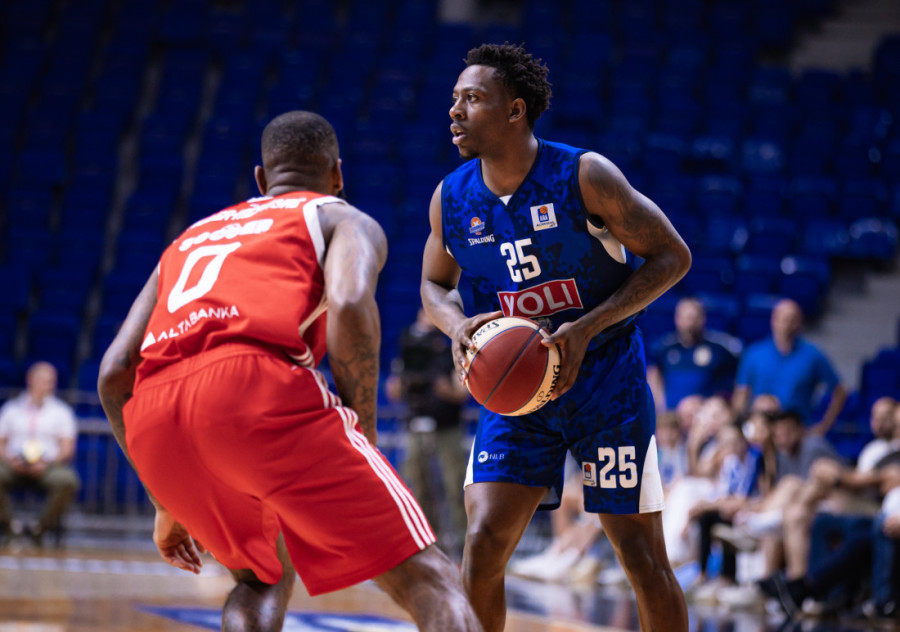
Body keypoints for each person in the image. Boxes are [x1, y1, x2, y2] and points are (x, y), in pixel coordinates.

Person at [97, 111, 482, 632]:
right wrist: (363, 429)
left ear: (261, 179)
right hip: (253, 386)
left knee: (261, 578)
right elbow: (350, 302)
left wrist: (166, 501)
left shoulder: (190, 237)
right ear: (337, 174)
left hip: (155, 413)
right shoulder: (340, 218)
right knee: (431, 579)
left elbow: (115, 372)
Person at [420, 43, 691, 632]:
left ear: (515, 110)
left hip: (606, 384)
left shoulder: (585, 176)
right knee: (483, 543)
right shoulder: (452, 198)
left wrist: (589, 326)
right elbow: (434, 284)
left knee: (641, 557)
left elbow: (673, 256)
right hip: (518, 392)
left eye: (472, 99)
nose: (455, 111)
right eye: (454, 99)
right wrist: (456, 325)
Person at [386, 307, 470, 556]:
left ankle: (465, 543)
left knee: (455, 485)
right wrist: (402, 383)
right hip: (416, 424)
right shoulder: (408, 349)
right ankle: (428, 543)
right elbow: (393, 390)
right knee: (417, 482)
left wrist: (446, 390)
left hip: (446, 426)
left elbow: (462, 393)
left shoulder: (449, 348)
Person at [732, 299, 846, 437]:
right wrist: (738, 426)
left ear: (799, 323)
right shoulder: (754, 354)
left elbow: (839, 391)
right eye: (783, 319)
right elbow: (741, 395)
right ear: (773, 320)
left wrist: (823, 427)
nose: (786, 325)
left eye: (792, 320)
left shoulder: (813, 356)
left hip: (797, 433)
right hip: (759, 429)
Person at [0, 361, 80, 546]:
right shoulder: (11, 409)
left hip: (48, 466)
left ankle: (39, 528)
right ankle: (11, 526)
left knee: (68, 480)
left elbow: (67, 448)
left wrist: (47, 463)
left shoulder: (62, 412)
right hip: (13, 464)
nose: (50, 385)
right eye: (45, 380)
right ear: (31, 380)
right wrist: (10, 460)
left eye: (52, 381)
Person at [647, 297, 742, 413]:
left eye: (694, 317)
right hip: (671, 416)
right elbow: (653, 375)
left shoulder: (720, 349)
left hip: (705, 415)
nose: (690, 323)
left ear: (703, 318)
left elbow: (736, 383)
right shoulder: (664, 348)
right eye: (686, 317)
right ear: (677, 319)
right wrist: (660, 408)